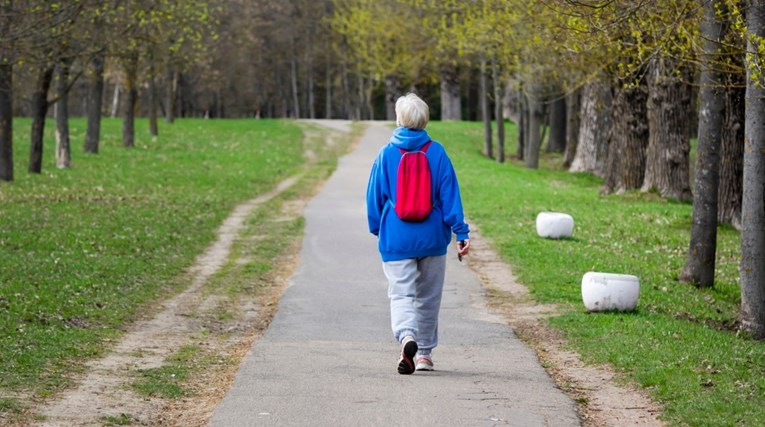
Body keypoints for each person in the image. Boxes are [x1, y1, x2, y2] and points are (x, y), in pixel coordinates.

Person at [366, 93, 470, 375]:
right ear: (425, 120)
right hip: (433, 238)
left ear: (399, 119)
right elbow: (450, 197)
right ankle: (423, 354)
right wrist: (461, 232)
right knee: (428, 297)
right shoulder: (437, 153)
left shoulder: (385, 153)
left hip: (397, 238)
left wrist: (379, 228)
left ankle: (406, 336)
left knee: (400, 294)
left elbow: (374, 197)